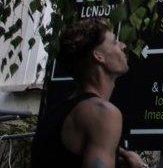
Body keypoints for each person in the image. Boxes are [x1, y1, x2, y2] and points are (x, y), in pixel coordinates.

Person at [32, 18, 143, 168]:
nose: (123, 46)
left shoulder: (54, 114)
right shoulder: (103, 113)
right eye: (115, 42)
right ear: (99, 56)